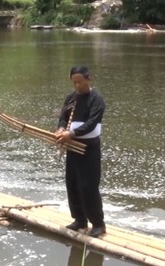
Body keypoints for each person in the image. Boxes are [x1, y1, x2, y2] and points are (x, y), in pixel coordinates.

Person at [55, 65, 107, 238]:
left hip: (88, 148)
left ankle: (98, 224)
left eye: (80, 82)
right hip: (72, 147)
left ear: (88, 79)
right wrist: (61, 129)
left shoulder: (96, 99)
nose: (77, 86)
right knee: (73, 183)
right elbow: (63, 117)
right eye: (74, 82)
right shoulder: (71, 97)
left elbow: (92, 122)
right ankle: (79, 220)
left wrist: (72, 133)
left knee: (89, 186)